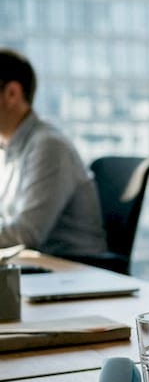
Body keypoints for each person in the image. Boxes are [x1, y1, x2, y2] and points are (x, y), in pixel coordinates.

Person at [0, 49, 108, 256]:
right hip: (39, 265)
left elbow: (26, 233)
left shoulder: (48, 147)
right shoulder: (8, 149)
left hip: (73, 271)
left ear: (12, 93)